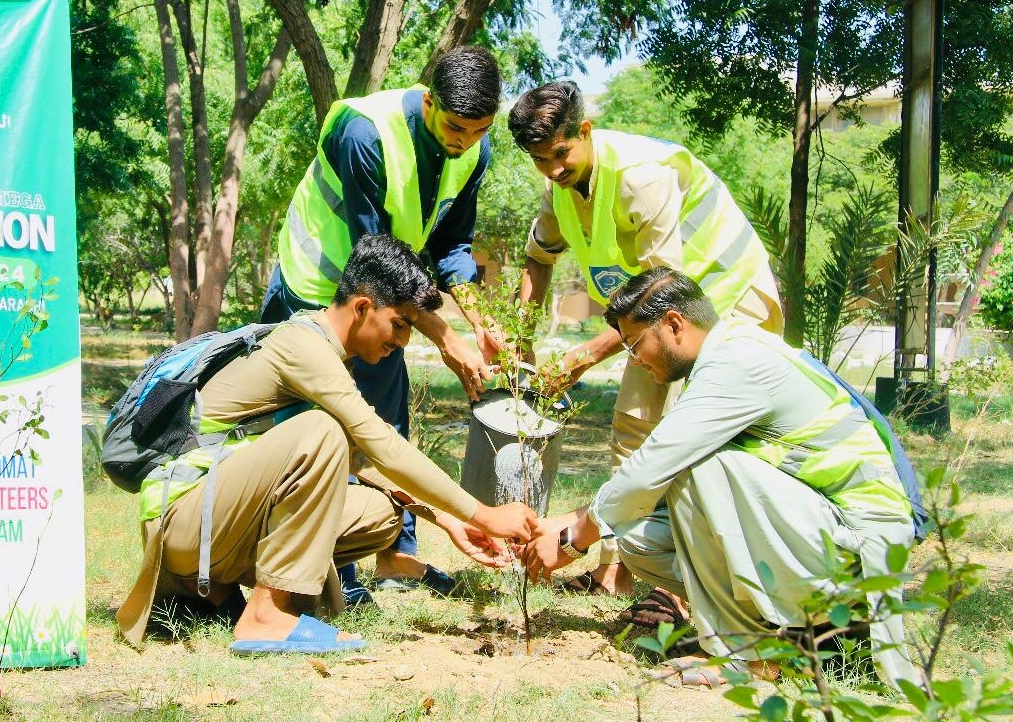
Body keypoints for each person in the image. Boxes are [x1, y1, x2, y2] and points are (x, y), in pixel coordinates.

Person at [118, 234, 537, 654]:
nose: (403, 341)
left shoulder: (328, 353)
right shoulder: (302, 346)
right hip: (182, 518)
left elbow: (361, 460)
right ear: (362, 307)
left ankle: (219, 592)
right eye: (400, 324)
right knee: (321, 431)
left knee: (380, 513)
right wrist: (483, 513)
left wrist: (449, 519)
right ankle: (265, 616)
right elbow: (381, 445)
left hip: (214, 519)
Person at [522, 268, 919, 687]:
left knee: (697, 464)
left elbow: (655, 466)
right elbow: (648, 487)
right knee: (636, 537)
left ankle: (744, 653)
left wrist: (573, 541)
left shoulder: (737, 363)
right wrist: (569, 521)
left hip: (856, 542)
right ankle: (795, 640)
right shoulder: (723, 356)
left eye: (635, 345)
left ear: (674, 324)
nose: (634, 360)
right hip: (818, 528)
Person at [507, 80, 783, 609]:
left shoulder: (641, 176)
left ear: (584, 131)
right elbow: (538, 259)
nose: (553, 170)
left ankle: (692, 585)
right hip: (660, 311)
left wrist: (585, 355)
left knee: (695, 438)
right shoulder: (558, 189)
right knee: (634, 426)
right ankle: (619, 569)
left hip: (727, 297)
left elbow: (660, 299)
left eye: (560, 154)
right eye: (540, 160)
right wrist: (521, 342)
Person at [263, 46, 503, 599]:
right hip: (316, 290)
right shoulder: (364, 133)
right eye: (456, 127)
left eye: (479, 130)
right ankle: (329, 567)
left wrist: (479, 319)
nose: (465, 141)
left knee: (386, 424)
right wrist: (444, 336)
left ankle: (395, 554)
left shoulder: (475, 149)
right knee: (319, 430)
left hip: (387, 295)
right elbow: (372, 256)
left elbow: (453, 244)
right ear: (429, 101)